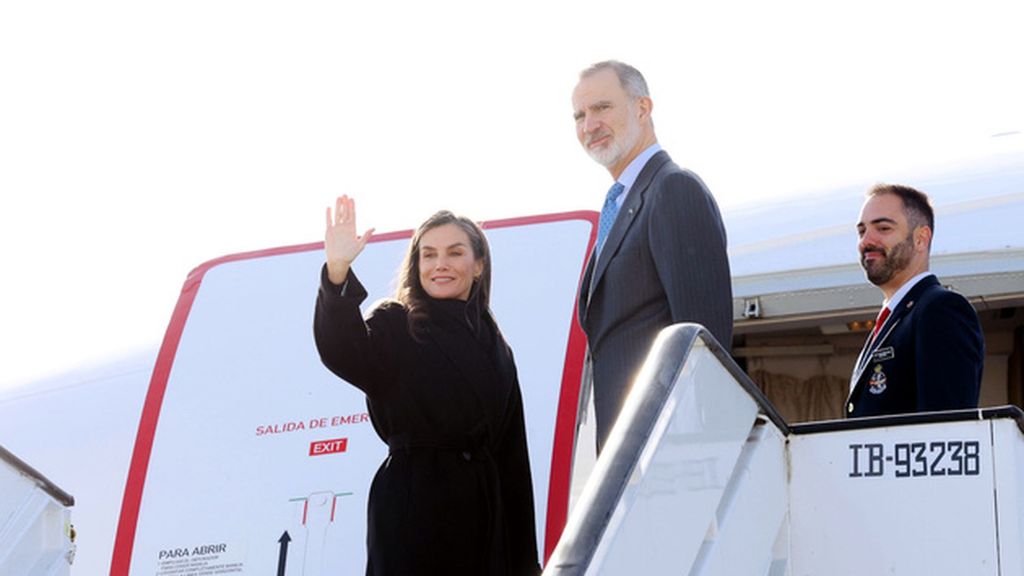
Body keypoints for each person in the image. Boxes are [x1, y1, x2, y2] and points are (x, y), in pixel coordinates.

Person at [313, 195, 541, 576]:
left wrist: (524, 564)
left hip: (484, 520)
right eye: (429, 255)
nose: (441, 265)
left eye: (454, 253)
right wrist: (336, 272)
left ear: (479, 264)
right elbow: (342, 351)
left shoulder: (498, 349)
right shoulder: (396, 323)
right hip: (412, 510)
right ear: (416, 265)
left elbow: (513, 461)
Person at [572, 60, 733, 451]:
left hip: (668, 447)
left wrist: (694, 451)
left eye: (602, 108)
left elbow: (703, 340)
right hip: (626, 446)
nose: (589, 125)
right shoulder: (620, 204)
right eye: (579, 114)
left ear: (642, 109)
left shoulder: (673, 189)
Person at [847, 184, 984, 417]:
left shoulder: (940, 310)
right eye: (862, 231)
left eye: (883, 228)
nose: (866, 241)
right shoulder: (895, 319)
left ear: (921, 238)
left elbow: (944, 432)